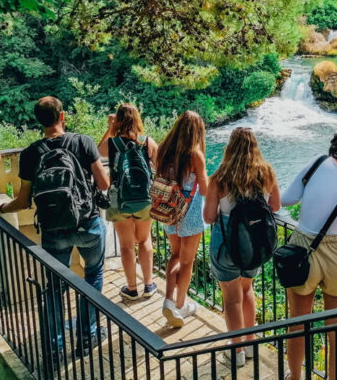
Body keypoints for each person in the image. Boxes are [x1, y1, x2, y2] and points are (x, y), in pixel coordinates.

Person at [0, 96, 110, 356]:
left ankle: (54, 347)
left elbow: (24, 200)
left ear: (38, 122)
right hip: (88, 224)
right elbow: (104, 185)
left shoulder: (30, 154)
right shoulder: (83, 142)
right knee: (93, 275)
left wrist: (0, 208)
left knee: (54, 286)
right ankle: (88, 337)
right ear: (62, 116)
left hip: (53, 229)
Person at [281, 131, 337, 380]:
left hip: (303, 248)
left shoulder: (317, 162)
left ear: (331, 151)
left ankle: (295, 376)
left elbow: (287, 199)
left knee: (297, 324)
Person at [203, 127, 281, 367]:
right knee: (247, 291)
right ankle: (249, 344)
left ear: (230, 148)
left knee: (231, 299)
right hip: (254, 245)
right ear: (254, 147)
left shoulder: (219, 178)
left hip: (226, 244)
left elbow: (208, 217)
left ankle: (236, 351)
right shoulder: (266, 173)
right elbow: (275, 206)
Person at [97, 104, 158, 301]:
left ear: (119, 120)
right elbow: (160, 168)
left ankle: (131, 289)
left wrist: (111, 127)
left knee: (126, 246)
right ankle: (149, 285)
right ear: (138, 120)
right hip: (144, 199)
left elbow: (98, 151)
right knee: (145, 240)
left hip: (118, 200)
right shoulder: (147, 142)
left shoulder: (112, 143)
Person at [156, 110, 208, 328]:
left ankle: (168, 300)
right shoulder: (195, 154)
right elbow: (204, 189)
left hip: (167, 210)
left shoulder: (164, 149)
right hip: (190, 213)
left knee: (175, 256)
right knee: (187, 262)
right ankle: (180, 305)